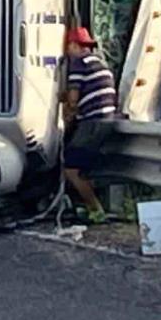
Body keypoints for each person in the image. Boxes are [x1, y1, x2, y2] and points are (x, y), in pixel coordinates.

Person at [62, 26, 118, 224]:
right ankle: (87, 205)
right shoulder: (99, 62)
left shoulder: (78, 63)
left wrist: (66, 117)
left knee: (71, 168)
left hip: (93, 121)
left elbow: (73, 99)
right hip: (107, 119)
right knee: (85, 167)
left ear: (74, 45)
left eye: (68, 47)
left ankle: (96, 209)